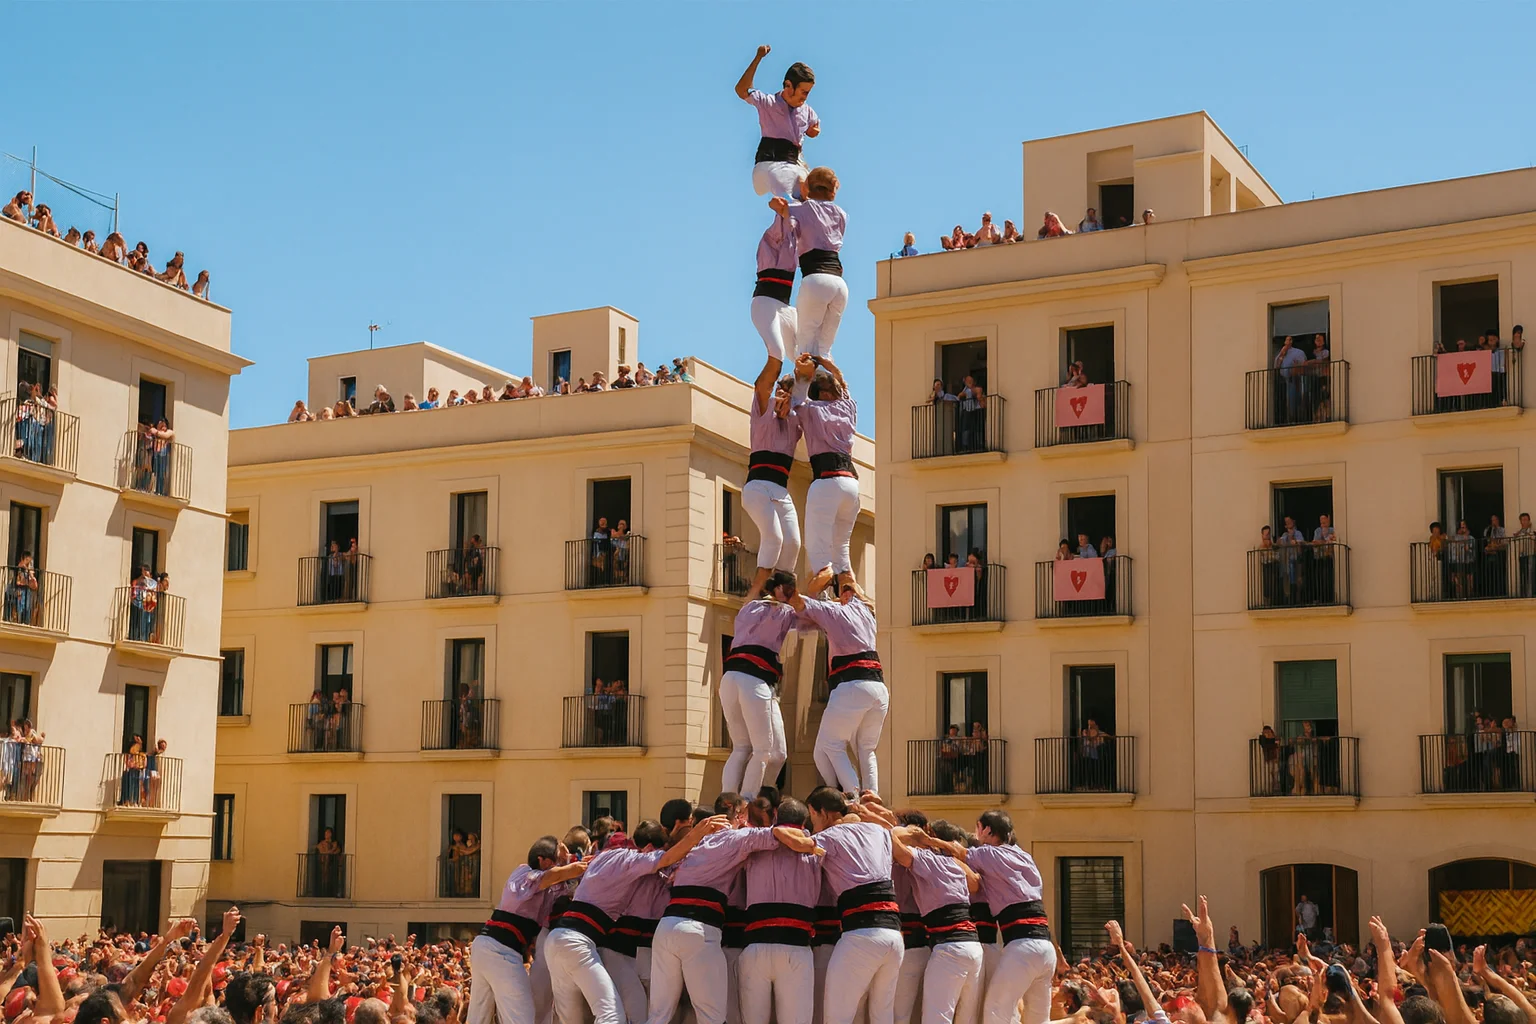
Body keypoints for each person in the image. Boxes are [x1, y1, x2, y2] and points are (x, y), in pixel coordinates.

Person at [545, 814, 730, 1024]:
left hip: (557, 939)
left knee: (572, 1020)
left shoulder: (604, 856)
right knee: (613, 1015)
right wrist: (697, 833)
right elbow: (667, 859)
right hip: (579, 943)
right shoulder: (630, 860)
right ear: (649, 847)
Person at [643, 806, 819, 1024]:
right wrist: (810, 844)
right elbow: (777, 833)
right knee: (712, 1017)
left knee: (659, 1015)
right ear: (734, 819)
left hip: (666, 928)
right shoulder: (734, 838)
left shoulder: (696, 846)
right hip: (699, 929)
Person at [805, 789, 904, 1024]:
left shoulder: (827, 838)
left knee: (837, 1017)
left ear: (824, 813)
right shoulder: (879, 831)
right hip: (894, 936)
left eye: (812, 814)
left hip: (861, 934)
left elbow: (803, 851)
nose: (812, 822)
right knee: (882, 1016)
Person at [467, 834, 587, 1024]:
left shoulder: (547, 889)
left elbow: (566, 886)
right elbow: (553, 876)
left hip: (489, 948)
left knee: (478, 1018)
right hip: (501, 950)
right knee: (522, 1017)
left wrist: (573, 860)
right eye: (555, 860)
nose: (558, 864)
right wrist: (575, 867)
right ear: (542, 860)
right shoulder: (524, 872)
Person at [789, 567, 886, 795]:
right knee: (866, 749)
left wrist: (799, 586)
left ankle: (852, 796)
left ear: (843, 594)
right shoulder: (867, 612)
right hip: (878, 687)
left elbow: (800, 603)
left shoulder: (836, 612)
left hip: (851, 685)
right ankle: (871, 796)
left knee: (830, 746)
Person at [720, 571, 800, 798]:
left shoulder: (747, 608)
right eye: (790, 590)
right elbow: (807, 617)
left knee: (744, 748)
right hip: (754, 679)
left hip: (730, 678)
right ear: (780, 589)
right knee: (763, 749)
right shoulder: (783, 611)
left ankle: (729, 799)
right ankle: (748, 801)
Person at [793, 354, 860, 590]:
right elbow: (841, 380)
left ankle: (820, 594)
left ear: (820, 393)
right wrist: (823, 360)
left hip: (826, 480)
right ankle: (850, 592)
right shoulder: (848, 407)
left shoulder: (811, 410)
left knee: (817, 547)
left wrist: (802, 371)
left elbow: (797, 397)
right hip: (851, 484)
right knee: (842, 548)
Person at [742, 351, 802, 599]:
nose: (783, 397)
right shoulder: (763, 410)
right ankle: (754, 595)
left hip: (780, 490)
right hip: (757, 486)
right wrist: (775, 357)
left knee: (793, 543)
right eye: (781, 391)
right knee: (774, 537)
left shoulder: (796, 422)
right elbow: (761, 385)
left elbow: (807, 406)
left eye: (789, 395)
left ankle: (780, 596)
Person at [770, 167, 846, 360]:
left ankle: (804, 380)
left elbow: (781, 210)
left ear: (808, 188)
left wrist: (780, 205)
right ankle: (826, 377)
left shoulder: (801, 209)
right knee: (824, 349)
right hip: (839, 284)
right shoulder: (841, 214)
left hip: (816, 279)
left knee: (805, 347)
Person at [736, 46, 820, 198]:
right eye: (803, 92)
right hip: (771, 163)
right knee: (793, 194)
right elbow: (742, 90)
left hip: (794, 164)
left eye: (808, 93)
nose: (805, 97)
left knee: (816, 192)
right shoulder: (769, 103)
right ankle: (786, 205)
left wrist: (813, 131)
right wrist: (758, 58)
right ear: (788, 86)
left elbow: (813, 128)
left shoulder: (807, 111)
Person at [752, 204, 800, 362]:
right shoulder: (774, 236)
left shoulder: (796, 242)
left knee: (801, 354)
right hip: (766, 301)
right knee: (777, 352)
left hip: (784, 305)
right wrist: (784, 210)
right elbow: (783, 219)